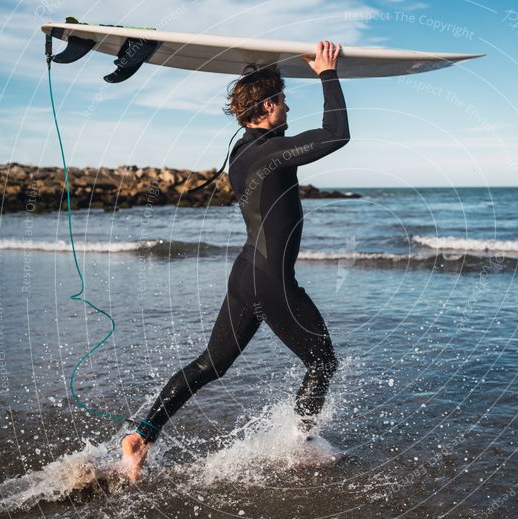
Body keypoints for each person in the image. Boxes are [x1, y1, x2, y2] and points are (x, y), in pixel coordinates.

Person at [121, 40, 349, 481]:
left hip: (248, 273)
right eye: (280, 99)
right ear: (265, 107)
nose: (286, 106)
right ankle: (300, 445)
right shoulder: (269, 151)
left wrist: (262, 75)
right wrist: (327, 73)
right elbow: (336, 134)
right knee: (322, 363)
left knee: (212, 363)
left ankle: (142, 435)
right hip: (271, 281)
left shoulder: (245, 151)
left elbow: (277, 137)